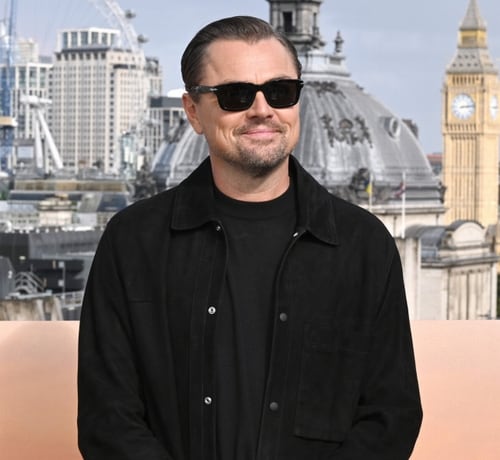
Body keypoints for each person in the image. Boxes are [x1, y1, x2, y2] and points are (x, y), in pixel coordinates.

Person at [77, 15, 422, 460]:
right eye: (236, 95)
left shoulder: (364, 245)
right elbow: (107, 420)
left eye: (281, 91)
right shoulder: (133, 242)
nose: (262, 109)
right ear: (193, 111)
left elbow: (390, 416)